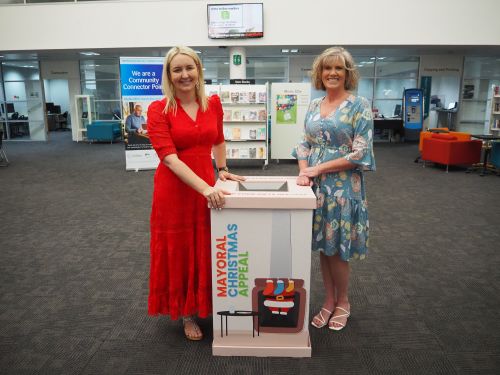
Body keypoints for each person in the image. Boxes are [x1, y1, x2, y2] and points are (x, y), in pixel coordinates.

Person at [147, 46, 244, 341]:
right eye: (177, 70)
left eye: (189, 68)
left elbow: (218, 139)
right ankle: (188, 314)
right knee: (182, 249)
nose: (184, 75)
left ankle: (210, 304)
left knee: (209, 245)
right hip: (175, 191)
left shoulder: (212, 104)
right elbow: (169, 158)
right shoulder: (158, 110)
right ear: (169, 75)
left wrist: (222, 168)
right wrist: (206, 188)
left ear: (199, 70)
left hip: (206, 183)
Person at [292, 46, 375, 331]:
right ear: (320, 73)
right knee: (324, 247)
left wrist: (318, 168)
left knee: (338, 248)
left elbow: (360, 153)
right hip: (316, 187)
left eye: (339, 68)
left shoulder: (359, 105)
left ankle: (344, 302)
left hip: (343, 189)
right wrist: (305, 170)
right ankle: (328, 300)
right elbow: (304, 143)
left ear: (347, 73)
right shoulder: (315, 105)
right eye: (327, 68)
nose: (332, 73)